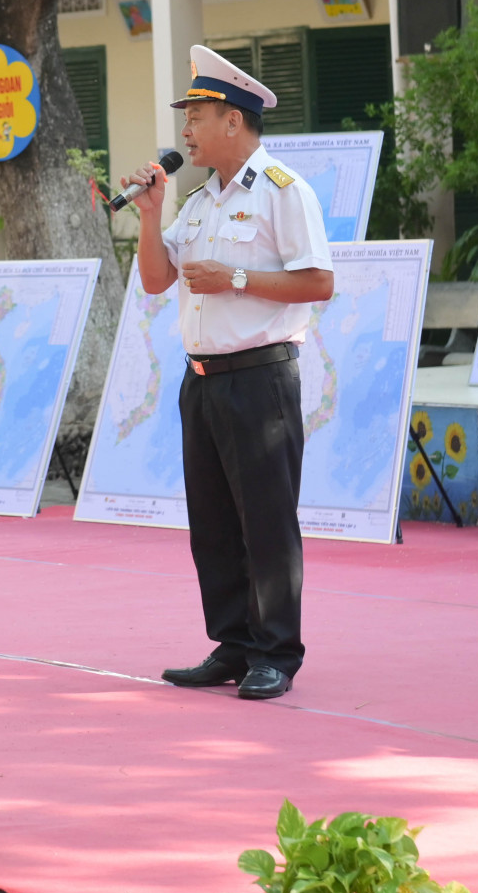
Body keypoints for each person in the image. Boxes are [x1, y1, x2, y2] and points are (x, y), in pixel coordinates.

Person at [121, 44, 333, 703]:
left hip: (260, 377)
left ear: (233, 119)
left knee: (266, 519)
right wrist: (151, 216)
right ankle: (234, 642)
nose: (186, 130)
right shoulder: (199, 203)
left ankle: (277, 651)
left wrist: (237, 276)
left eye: (198, 114)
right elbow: (157, 280)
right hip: (203, 379)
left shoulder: (282, 191)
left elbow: (319, 280)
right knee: (212, 520)